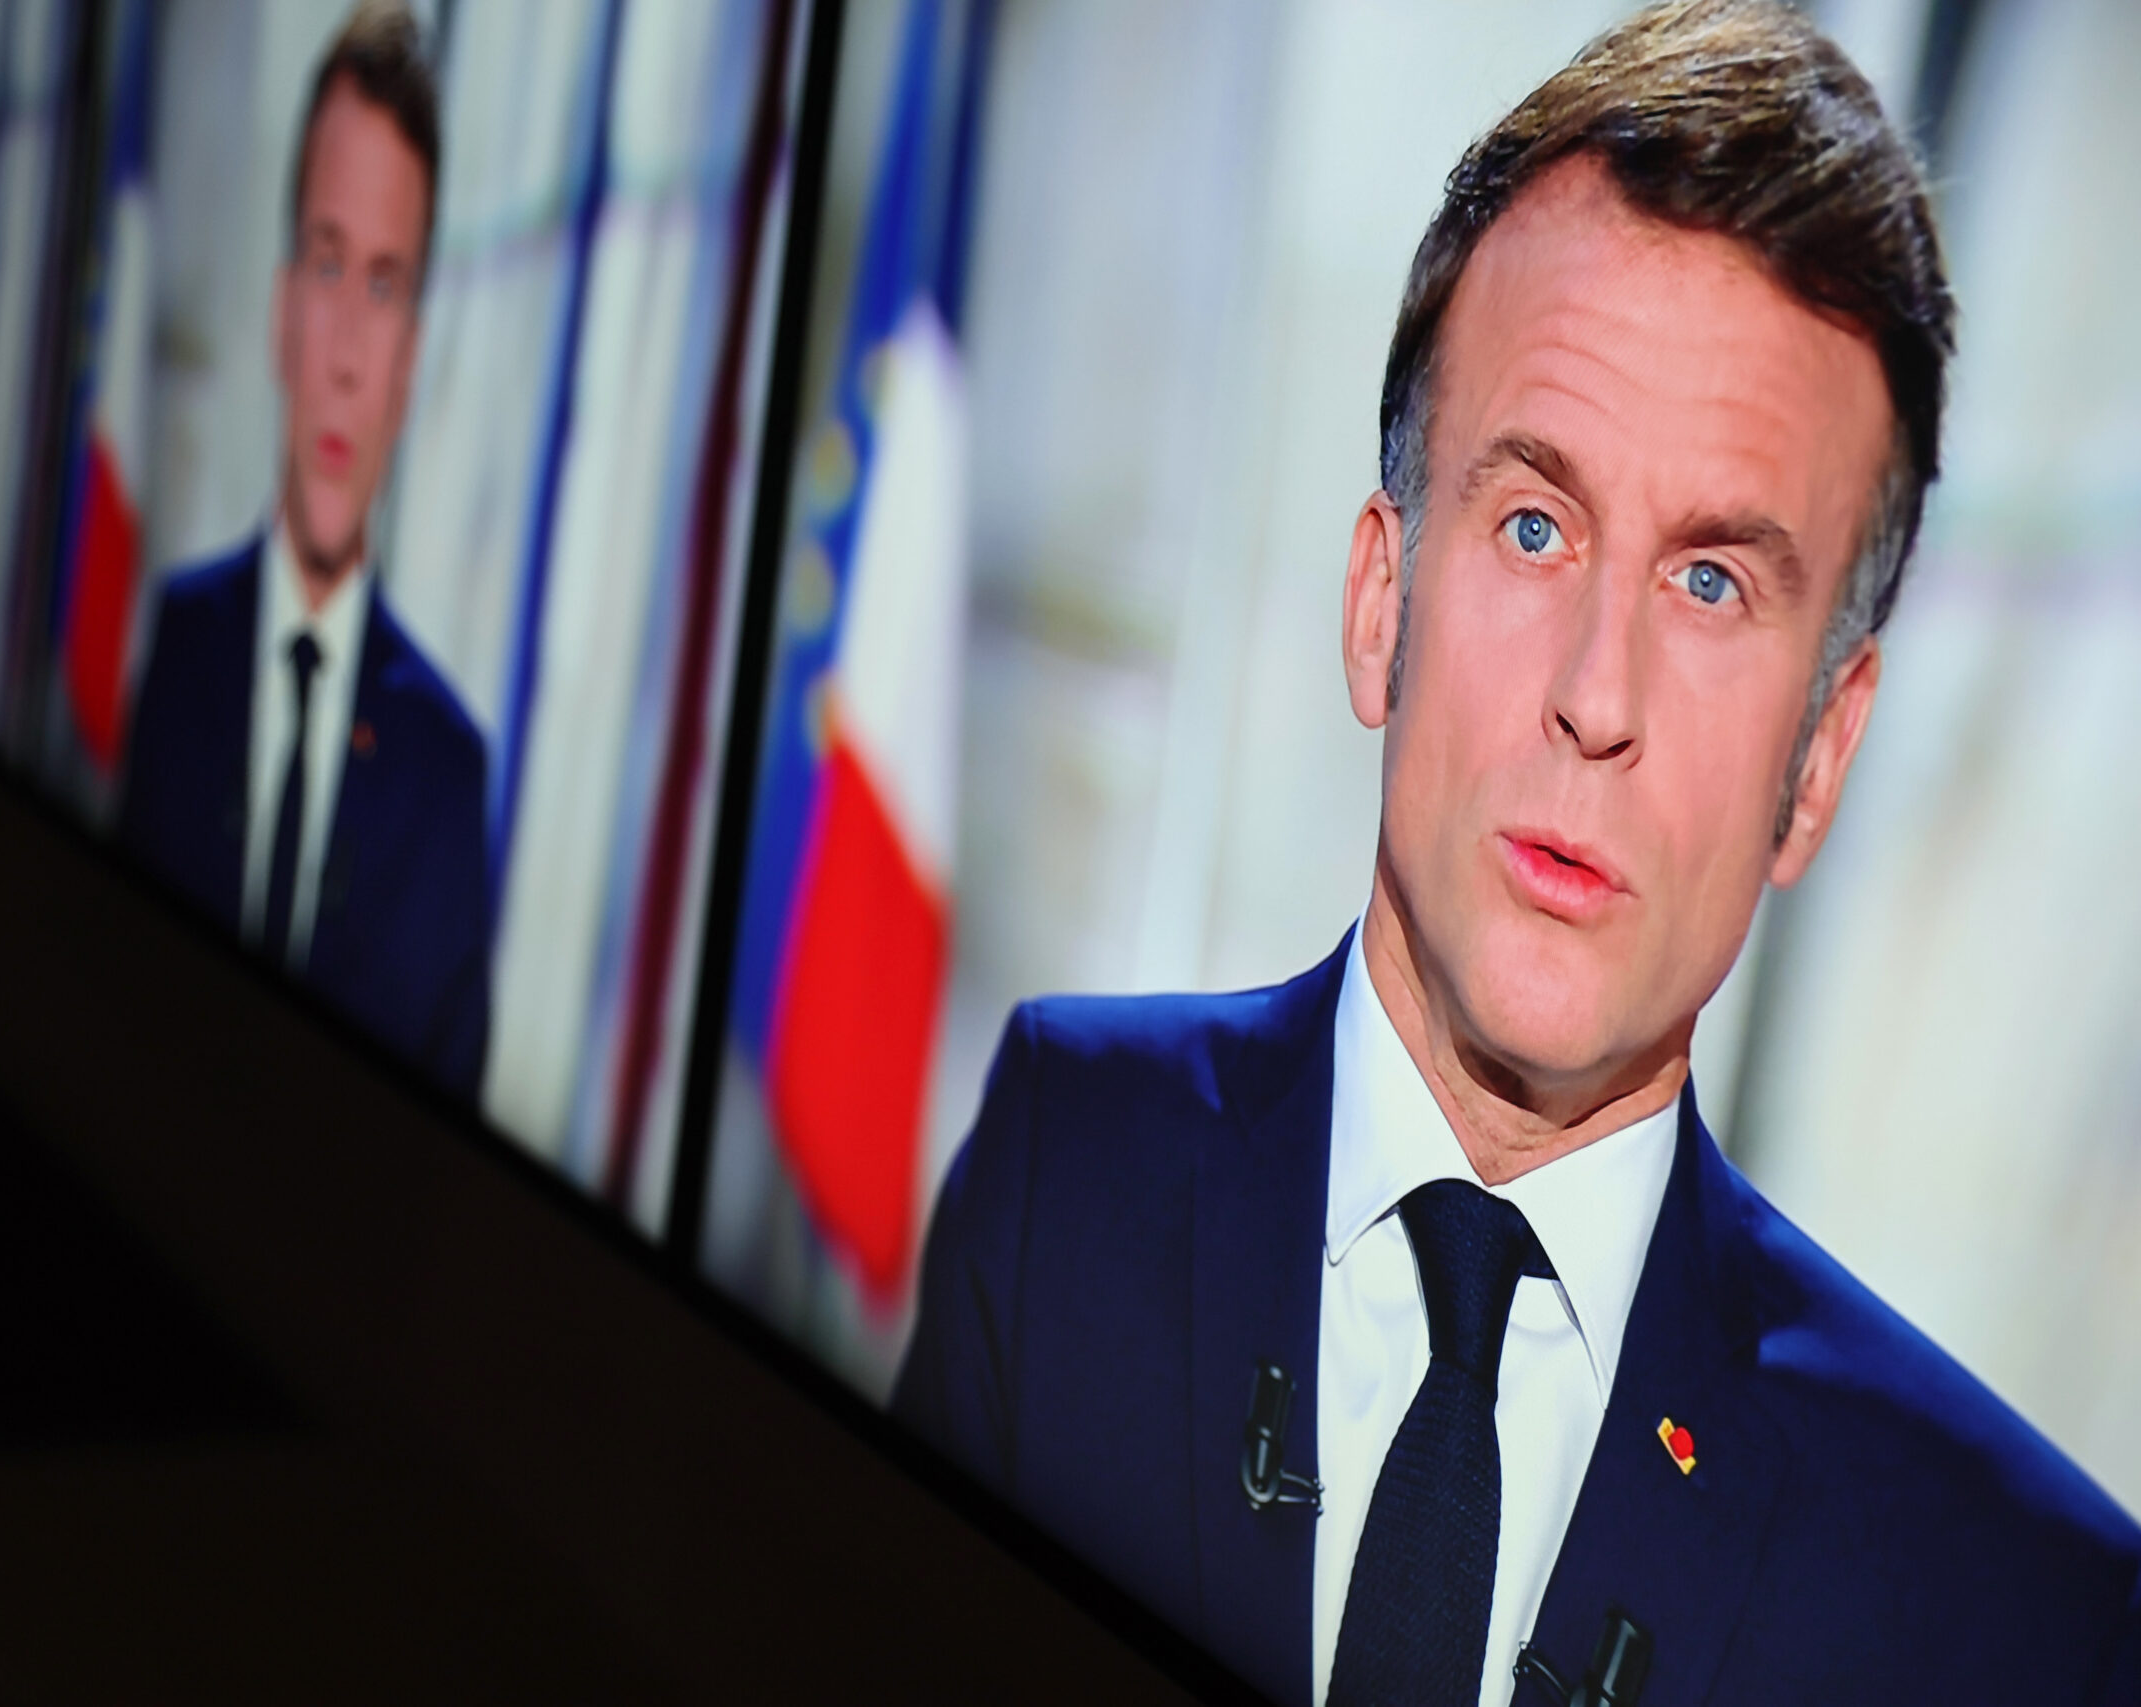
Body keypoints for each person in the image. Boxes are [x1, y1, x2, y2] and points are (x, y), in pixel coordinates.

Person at [891, 4, 2141, 1704]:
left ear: (1820, 757)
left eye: (1712, 582)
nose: (1596, 697)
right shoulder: (1074, 1175)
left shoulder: (2006, 1611)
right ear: (1379, 603)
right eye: (1537, 524)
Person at [118, 2, 490, 1101]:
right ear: (282, 313)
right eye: (328, 268)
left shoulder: (449, 779)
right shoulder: (180, 647)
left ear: (411, 363)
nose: (346, 355)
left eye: (384, 285)